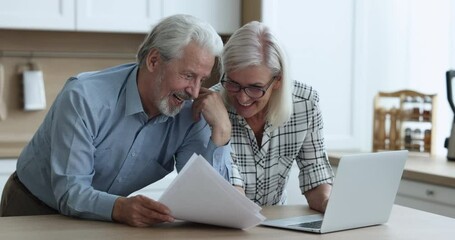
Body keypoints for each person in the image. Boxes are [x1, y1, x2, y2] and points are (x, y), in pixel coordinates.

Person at [0, 14, 239, 227]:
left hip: (104, 218)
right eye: (188, 76)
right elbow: (71, 193)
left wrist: (222, 131)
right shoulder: (84, 98)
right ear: (154, 61)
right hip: (32, 209)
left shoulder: (191, 110)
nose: (195, 92)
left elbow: (206, 199)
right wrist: (119, 208)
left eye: (202, 79)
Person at [211, 21, 334, 213]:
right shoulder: (212, 107)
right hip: (227, 222)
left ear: (278, 81)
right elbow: (227, 193)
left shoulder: (305, 102)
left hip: (276, 224)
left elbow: (315, 172)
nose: (242, 98)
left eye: (255, 88)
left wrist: (329, 204)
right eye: (233, 83)